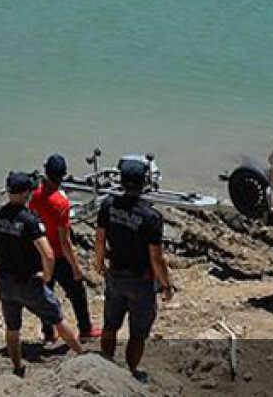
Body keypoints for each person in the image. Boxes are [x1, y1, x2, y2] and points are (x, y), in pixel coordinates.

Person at [0, 172, 83, 378]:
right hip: (29, 282)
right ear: (25, 194)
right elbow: (48, 254)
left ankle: (17, 366)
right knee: (57, 317)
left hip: (5, 281)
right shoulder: (29, 219)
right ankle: (83, 356)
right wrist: (47, 276)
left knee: (12, 328)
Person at [94, 158, 172, 383]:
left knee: (110, 325)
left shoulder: (109, 205)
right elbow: (156, 259)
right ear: (144, 183)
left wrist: (99, 263)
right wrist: (166, 285)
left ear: (121, 181)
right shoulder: (151, 217)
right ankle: (131, 374)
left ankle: (107, 366)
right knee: (137, 334)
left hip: (115, 276)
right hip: (141, 282)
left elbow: (100, 240)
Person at [29, 154, 99, 342]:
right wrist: (76, 267)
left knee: (45, 294)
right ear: (62, 176)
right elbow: (65, 241)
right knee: (77, 294)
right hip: (59, 256)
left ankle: (48, 332)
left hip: (41, 253)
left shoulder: (35, 195)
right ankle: (85, 328)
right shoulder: (61, 203)